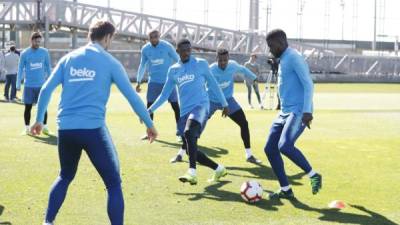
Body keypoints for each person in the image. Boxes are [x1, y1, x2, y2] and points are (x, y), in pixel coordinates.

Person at [30, 20, 157, 225]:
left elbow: (45, 90)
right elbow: (132, 97)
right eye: (111, 39)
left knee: (65, 176)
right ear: (107, 37)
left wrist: (38, 120)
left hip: (66, 130)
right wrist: (149, 124)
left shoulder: (68, 59)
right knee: (114, 184)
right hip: (92, 131)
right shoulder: (110, 62)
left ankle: (47, 222)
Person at [148, 39, 229, 185]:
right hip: (184, 113)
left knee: (189, 133)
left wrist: (224, 103)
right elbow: (164, 95)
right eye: (182, 50)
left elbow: (214, 84)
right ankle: (218, 169)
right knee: (192, 149)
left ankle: (192, 172)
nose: (186, 53)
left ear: (191, 50)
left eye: (188, 50)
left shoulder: (201, 64)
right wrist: (150, 109)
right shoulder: (173, 70)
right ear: (177, 51)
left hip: (201, 107)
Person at [170, 48, 262, 164]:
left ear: (228, 59)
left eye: (225, 60)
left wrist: (254, 77)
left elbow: (243, 69)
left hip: (228, 100)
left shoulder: (232, 66)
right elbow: (200, 83)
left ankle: (249, 155)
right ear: (216, 59)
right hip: (210, 101)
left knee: (244, 123)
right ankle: (181, 154)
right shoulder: (211, 69)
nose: (223, 63)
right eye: (220, 60)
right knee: (194, 129)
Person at [264, 29, 322, 199]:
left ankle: (313, 175)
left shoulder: (294, 57)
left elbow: (308, 84)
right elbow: (286, 83)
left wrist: (307, 111)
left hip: (298, 111)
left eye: (271, 46)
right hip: (285, 112)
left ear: (281, 42)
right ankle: (286, 189)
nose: (270, 50)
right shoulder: (283, 59)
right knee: (270, 149)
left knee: (285, 146)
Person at [136, 30, 181, 141]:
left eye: (156, 36)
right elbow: (142, 65)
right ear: (149, 38)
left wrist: (179, 75)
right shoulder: (145, 49)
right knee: (150, 106)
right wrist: (138, 81)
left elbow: (178, 60)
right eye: (151, 37)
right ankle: (149, 131)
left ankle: (180, 133)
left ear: (159, 36)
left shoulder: (167, 46)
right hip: (153, 82)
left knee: (176, 107)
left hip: (169, 81)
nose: (154, 39)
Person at [17, 32, 52, 135]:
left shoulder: (45, 52)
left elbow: (48, 67)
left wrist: (50, 81)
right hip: (28, 86)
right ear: (31, 40)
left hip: (41, 85)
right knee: (28, 107)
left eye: (39, 41)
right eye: (36, 41)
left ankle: (45, 127)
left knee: (43, 107)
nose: (38, 43)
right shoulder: (25, 53)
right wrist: (18, 84)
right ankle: (27, 128)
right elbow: (20, 68)